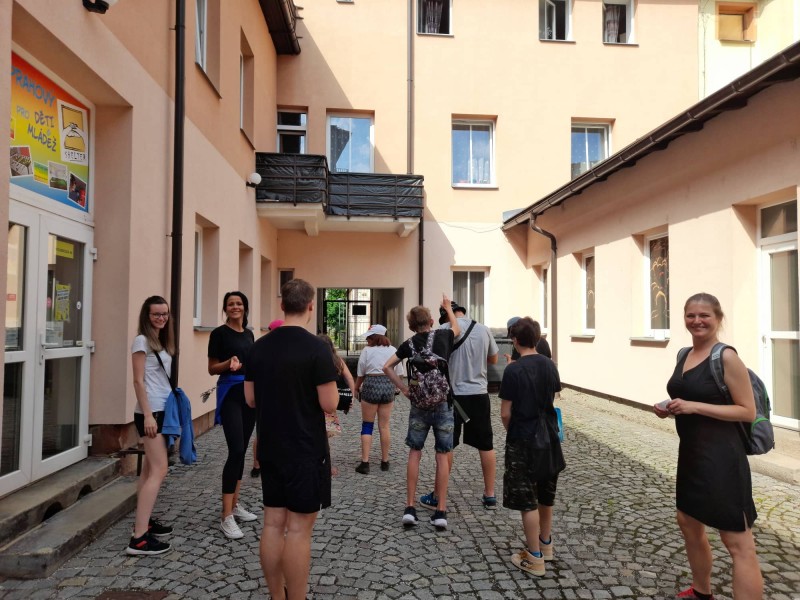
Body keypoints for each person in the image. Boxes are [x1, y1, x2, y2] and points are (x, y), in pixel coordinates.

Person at [654, 293, 763, 600]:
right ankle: (702, 592)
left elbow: (747, 411)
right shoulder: (684, 354)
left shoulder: (726, 357)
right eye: (691, 315)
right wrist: (669, 407)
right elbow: (690, 395)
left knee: (738, 543)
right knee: (688, 523)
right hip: (691, 455)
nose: (697, 321)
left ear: (718, 318)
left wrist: (694, 407)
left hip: (722, 459)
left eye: (704, 315)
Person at [244, 279, 338, 600]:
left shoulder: (258, 347)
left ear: (282, 305)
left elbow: (250, 399)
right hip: (305, 447)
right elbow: (329, 403)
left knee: (272, 524)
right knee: (298, 529)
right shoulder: (317, 348)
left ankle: (276, 595)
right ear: (311, 305)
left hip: (270, 444)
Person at [383, 296, 459, 530]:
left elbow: (386, 367)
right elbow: (456, 327)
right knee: (442, 455)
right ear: (432, 321)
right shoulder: (444, 336)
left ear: (411, 326)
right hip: (443, 404)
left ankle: (410, 507)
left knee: (415, 453)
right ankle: (441, 511)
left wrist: (405, 389)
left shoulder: (409, 344)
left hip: (419, 406)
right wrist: (448, 308)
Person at [499, 317, 565, 577]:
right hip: (549, 437)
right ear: (537, 338)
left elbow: (505, 413)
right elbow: (552, 397)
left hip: (523, 438)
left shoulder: (513, 370)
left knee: (528, 500)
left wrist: (513, 433)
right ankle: (546, 545)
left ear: (515, 340)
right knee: (546, 496)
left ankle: (534, 557)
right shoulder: (550, 364)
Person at [420, 301, 499, 510]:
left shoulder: (444, 331)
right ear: (463, 311)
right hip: (479, 394)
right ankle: (490, 494)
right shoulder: (483, 329)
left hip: (452, 395)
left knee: (446, 446)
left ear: (445, 316)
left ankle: (438, 495)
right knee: (486, 444)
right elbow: (493, 359)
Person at [126, 296, 175, 556]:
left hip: (161, 410)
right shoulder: (141, 341)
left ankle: (142, 524)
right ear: (147, 316)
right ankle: (139, 540)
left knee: (147, 471)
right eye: (156, 314)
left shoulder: (160, 340)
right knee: (159, 469)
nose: (161, 318)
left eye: (164, 314)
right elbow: (138, 381)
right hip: (151, 412)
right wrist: (147, 416)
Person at [208, 291, 258, 540]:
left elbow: (252, 365)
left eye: (239, 303)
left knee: (242, 450)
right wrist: (229, 363)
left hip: (249, 394)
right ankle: (225, 516)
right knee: (236, 450)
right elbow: (211, 368)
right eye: (230, 304)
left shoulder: (249, 334)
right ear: (225, 308)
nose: (235, 307)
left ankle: (235, 504)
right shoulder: (219, 333)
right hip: (230, 394)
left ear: (245, 307)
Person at [354, 324, 405, 474]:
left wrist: (356, 388)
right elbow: (399, 372)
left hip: (371, 385)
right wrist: (398, 387)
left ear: (374, 337)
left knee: (367, 425)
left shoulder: (367, 351)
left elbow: (361, 373)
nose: (367, 340)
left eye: (369, 337)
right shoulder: (393, 350)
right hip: (388, 386)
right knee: (384, 426)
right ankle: (385, 461)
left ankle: (365, 463)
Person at [318, 333, 355, 476]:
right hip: (330, 402)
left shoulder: (315, 359)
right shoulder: (337, 360)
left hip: (316, 402)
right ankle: (326, 465)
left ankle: (321, 465)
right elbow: (349, 378)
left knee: (316, 435)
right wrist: (352, 396)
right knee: (324, 438)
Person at [251, 319, 284, 478]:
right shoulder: (281, 350)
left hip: (264, 395)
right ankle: (259, 463)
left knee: (263, 430)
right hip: (271, 396)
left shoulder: (261, 348)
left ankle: (258, 464)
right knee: (266, 431)